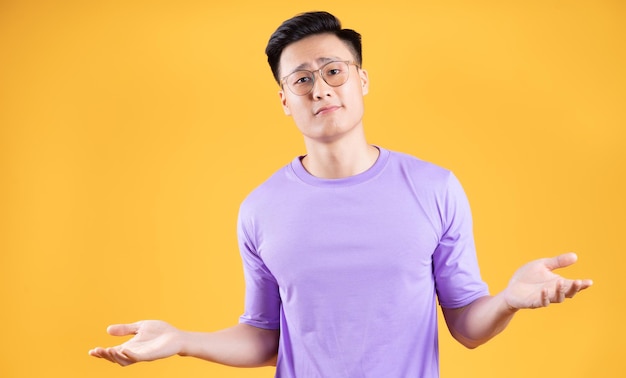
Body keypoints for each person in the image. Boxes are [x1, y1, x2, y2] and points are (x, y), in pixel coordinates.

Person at [89, 11, 592, 377]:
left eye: (334, 71)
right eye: (301, 80)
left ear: (361, 79)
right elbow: (265, 338)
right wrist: (182, 341)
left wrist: (507, 300)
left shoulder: (435, 187)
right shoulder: (260, 209)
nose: (320, 89)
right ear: (285, 100)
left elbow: (466, 325)